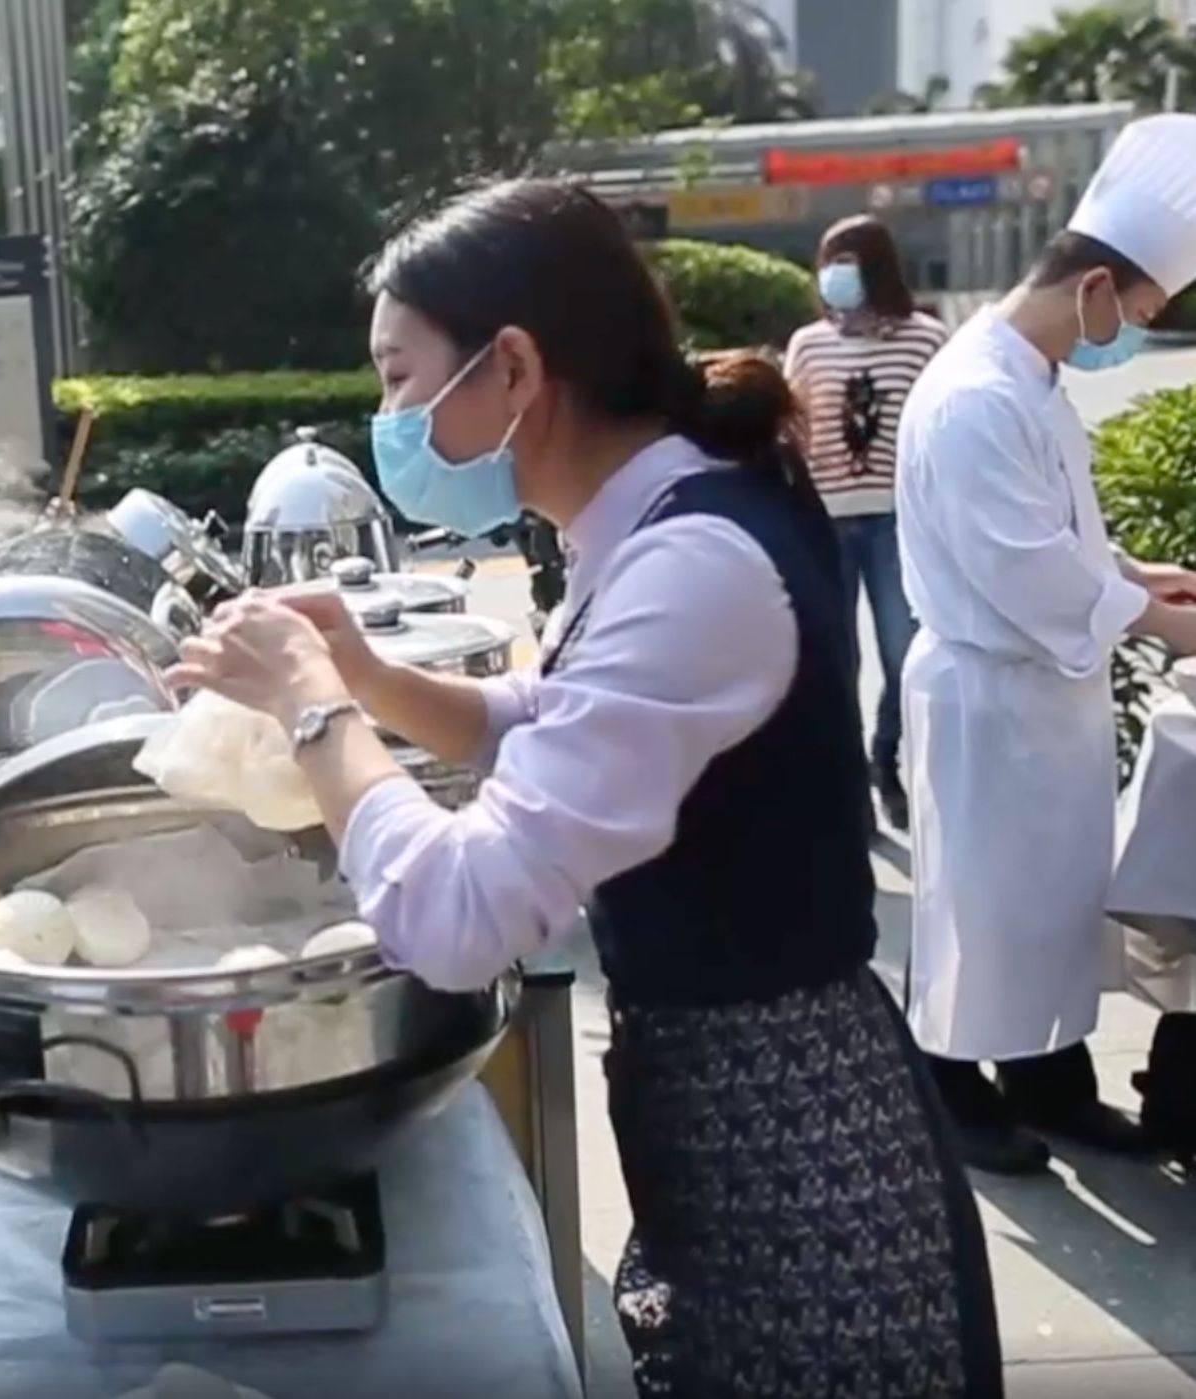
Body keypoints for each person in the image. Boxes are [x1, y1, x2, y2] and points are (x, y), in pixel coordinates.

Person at [169, 180, 1000, 1397]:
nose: (388, 419)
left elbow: (457, 918)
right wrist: (364, 674)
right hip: (732, 1107)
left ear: (512, 366)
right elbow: (552, 718)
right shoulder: (655, 515)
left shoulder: (693, 563)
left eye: (400, 378)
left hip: (795, 1141)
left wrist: (312, 707)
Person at [896, 113, 1196, 1176]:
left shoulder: (1027, 375)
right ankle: (949, 1089)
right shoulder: (976, 395)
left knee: (1050, 912)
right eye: (1143, 310)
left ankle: (1049, 1081)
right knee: (980, 913)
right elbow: (1023, 570)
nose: (1139, 329)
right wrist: (1163, 621)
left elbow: (1061, 539)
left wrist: (1137, 577)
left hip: (1042, 694)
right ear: (1095, 287)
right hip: (989, 695)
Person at [784, 215, 947, 831]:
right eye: (828, 261)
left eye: (847, 260)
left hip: (898, 521)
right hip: (825, 520)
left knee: (904, 655)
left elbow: (941, 427)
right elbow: (794, 427)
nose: (834, 274)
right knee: (836, 662)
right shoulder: (809, 344)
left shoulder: (925, 340)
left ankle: (886, 758)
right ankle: (851, 787)